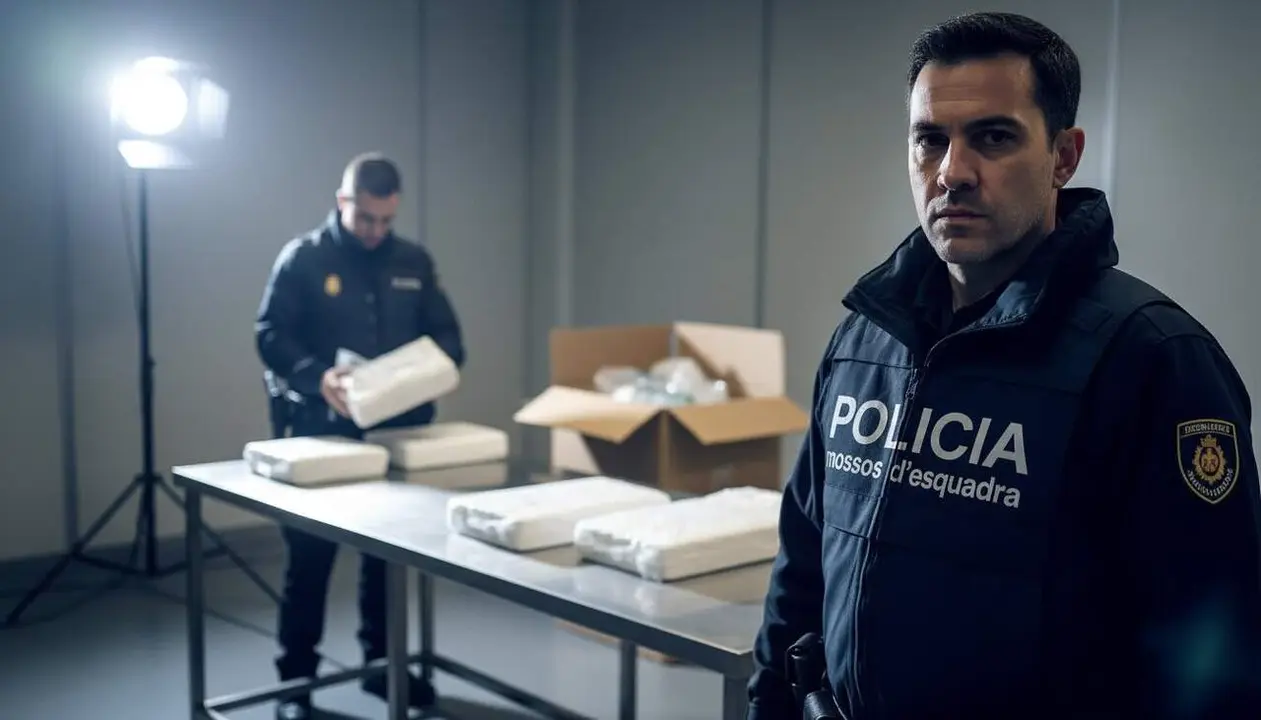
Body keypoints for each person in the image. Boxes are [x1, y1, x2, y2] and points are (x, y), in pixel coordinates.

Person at [748, 11, 1261, 720]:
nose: (952, 173)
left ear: (1063, 157)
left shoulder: (1153, 360)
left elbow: (1211, 660)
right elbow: (802, 572)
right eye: (930, 139)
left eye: (993, 137)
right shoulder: (863, 341)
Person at [255, 152, 465, 720]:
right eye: (365, 218)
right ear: (342, 201)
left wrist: (424, 372)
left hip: (396, 434)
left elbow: (449, 339)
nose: (375, 231)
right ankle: (295, 685)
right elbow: (270, 334)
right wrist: (316, 376)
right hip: (322, 434)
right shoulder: (303, 259)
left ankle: (382, 666)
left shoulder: (413, 261)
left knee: (388, 558)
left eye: (385, 221)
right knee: (310, 561)